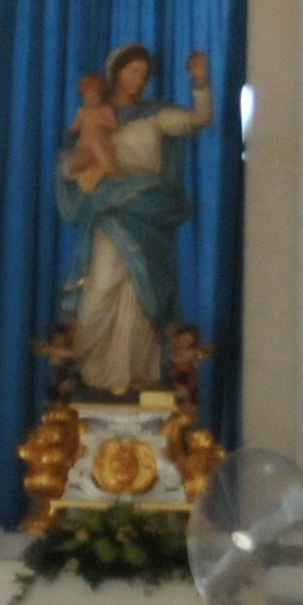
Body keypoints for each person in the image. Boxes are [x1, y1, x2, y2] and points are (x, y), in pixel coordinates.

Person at [56, 43, 215, 397]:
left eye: (144, 74)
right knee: (100, 287)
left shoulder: (155, 114)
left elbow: (199, 119)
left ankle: (140, 374)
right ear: (115, 74)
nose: (138, 80)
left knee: (144, 294)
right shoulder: (95, 115)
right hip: (110, 209)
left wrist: (200, 82)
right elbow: (69, 163)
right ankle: (92, 376)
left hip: (148, 210)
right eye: (132, 72)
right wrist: (80, 164)